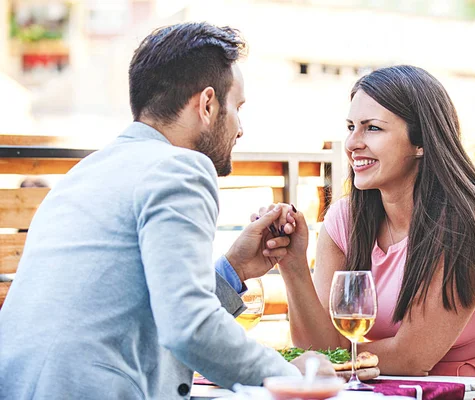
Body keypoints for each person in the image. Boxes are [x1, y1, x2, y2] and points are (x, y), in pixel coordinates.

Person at [0, 22, 333, 400]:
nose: (240, 129)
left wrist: (233, 269)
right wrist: (291, 376)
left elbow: (138, 303)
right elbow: (189, 327)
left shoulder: (84, 174)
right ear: (207, 104)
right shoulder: (180, 168)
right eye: (237, 108)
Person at [264, 66, 475, 399]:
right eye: (351, 127)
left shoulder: (465, 221)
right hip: (403, 390)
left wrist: (328, 360)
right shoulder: (346, 220)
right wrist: (292, 264)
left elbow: (411, 357)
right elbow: (323, 346)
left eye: (373, 129)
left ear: (421, 142)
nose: (352, 143)